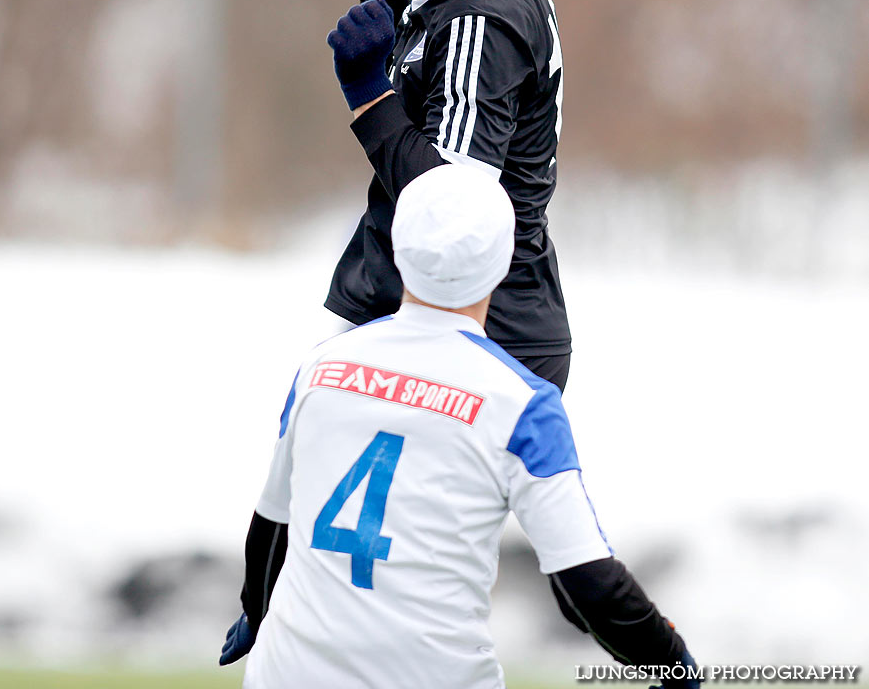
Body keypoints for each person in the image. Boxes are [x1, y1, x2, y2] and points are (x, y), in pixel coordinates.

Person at [219, 164, 697, 688]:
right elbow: (587, 584)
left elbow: (272, 527)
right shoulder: (520, 403)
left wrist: (255, 611)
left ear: (398, 249)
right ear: (501, 265)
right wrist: (671, 661)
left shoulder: (321, 367)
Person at [325, 0, 572, 390]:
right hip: (414, 318)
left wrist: (367, 94)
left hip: (478, 339)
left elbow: (451, 211)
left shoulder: (479, 21)